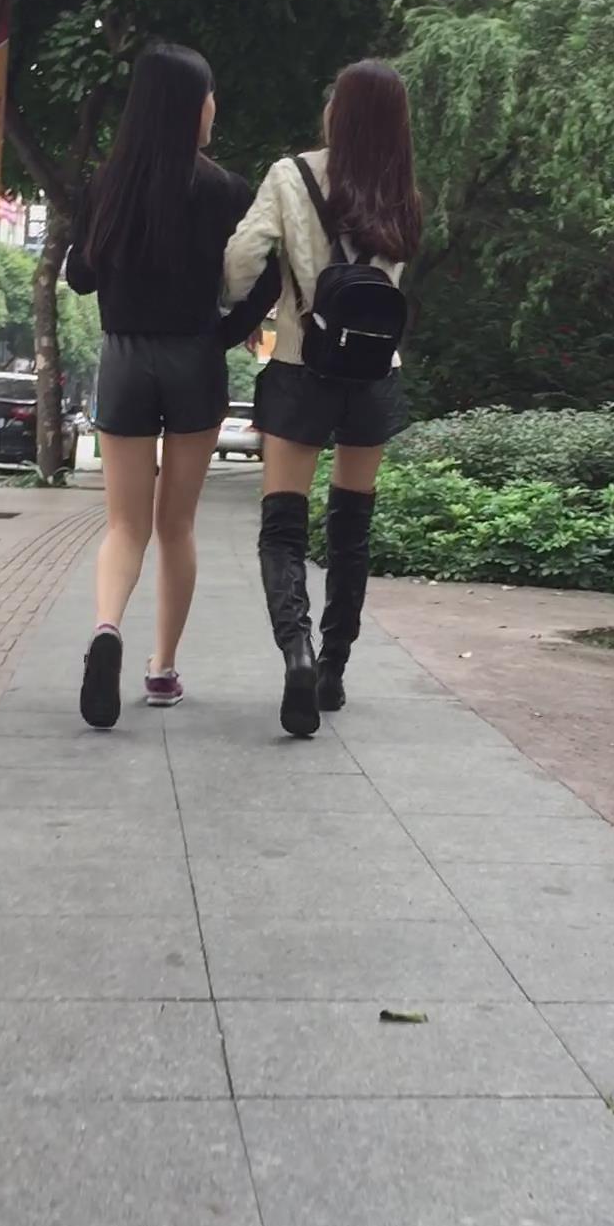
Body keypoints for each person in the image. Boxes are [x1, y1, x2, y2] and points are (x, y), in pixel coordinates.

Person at [66, 42, 277, 730]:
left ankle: (106, 629)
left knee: (124, 524)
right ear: (192, 105)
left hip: (124, 358)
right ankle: (162, 670)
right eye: (210, 97)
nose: (215, 109)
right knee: (176, 525)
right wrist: (224, 332)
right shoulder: (226, 191)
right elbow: (268, 277)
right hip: (194, 359)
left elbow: (80, 277)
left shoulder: (107, 185)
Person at [223, 59, 422, 738]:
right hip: (374, 372)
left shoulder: (290, 175)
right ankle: (335, 668)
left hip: (301, 366)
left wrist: (247, 305)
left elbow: (241, 259)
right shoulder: (401, 190)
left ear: (341, 110)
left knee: (283, 525)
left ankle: (297, 654)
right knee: (351, 527)